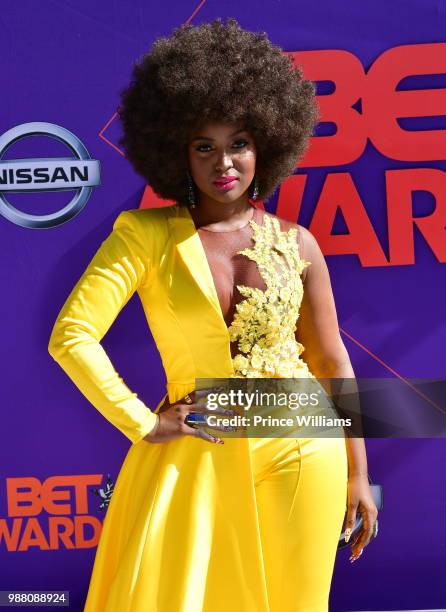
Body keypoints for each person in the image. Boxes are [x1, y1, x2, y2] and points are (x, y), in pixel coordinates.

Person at [48, 18, 378, 612]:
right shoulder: (143, 236)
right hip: (199, 449)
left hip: (305, 445)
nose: (224, 162)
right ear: (178, 151)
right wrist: (144, 423)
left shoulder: (298, 243)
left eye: (239, 143)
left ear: (267, 146)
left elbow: (331, 359)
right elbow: (72, 335)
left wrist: (357, 470)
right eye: (205, 145)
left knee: (296, 603)